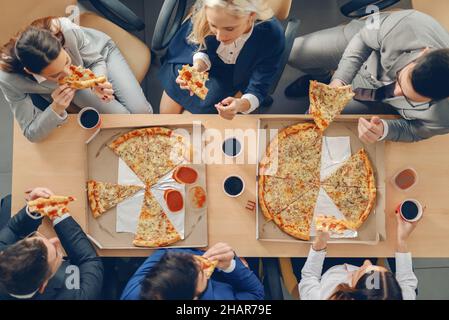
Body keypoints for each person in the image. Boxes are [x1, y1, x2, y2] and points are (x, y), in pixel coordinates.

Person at [286, 9, 449, 143]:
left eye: (407, 97)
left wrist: (384, 130)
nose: (396, 92)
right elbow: (364, 38)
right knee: (293, 53)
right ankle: (323, 78)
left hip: (378, 97)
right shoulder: (409, 25)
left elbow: (416, 131)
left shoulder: (445, 116)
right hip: (366, 49)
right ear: (424, 53)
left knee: (332, 119)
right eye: (400, 79)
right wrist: (338, 81)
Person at [0, 16, 153, 142]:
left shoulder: (65, 30)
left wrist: (97, 81)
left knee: (143, 112)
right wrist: (56, 108)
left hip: (101, 54)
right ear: (31, 71)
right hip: (71, 91)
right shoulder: (9, 79)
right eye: (55, 74)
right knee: (121, 120)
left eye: (67, 61)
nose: (68, 74)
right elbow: (30, 133)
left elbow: (96, 61)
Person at [159, 0, 285, 119]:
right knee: (166, 116)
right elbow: (199, 45)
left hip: (237, 73)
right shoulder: (205, 12)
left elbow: (258, 87)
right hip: (193, 55)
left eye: (229, 29)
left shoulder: (271, 36)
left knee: (193, 128)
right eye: (213, 25)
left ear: (251, 15)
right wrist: (197, 67)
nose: (219, 37)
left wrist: (240, 104)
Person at [0, 187, 103, 300]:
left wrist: (35, 207)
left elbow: (13, 230)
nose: (55, 240)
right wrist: (59, 214)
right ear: (43, 285)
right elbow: (89, 260)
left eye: (32, 238)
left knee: (9, 202)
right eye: (55, 255)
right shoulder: (79, 296)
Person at [297, 213, 419, 300]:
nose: (367, 262)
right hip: (353, 260)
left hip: (324, 272)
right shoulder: (397, 296)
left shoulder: (322, 296)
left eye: (361, 271)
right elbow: (407, 282)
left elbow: (309, 276)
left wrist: (320, 244)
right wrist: (402, 239)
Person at [120, 242, 264, 300]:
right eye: (202, 271)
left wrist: (205, 253)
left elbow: (166, 250)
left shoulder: (142, 287)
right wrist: (230, 266)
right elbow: (256, 294)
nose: (201, 261)